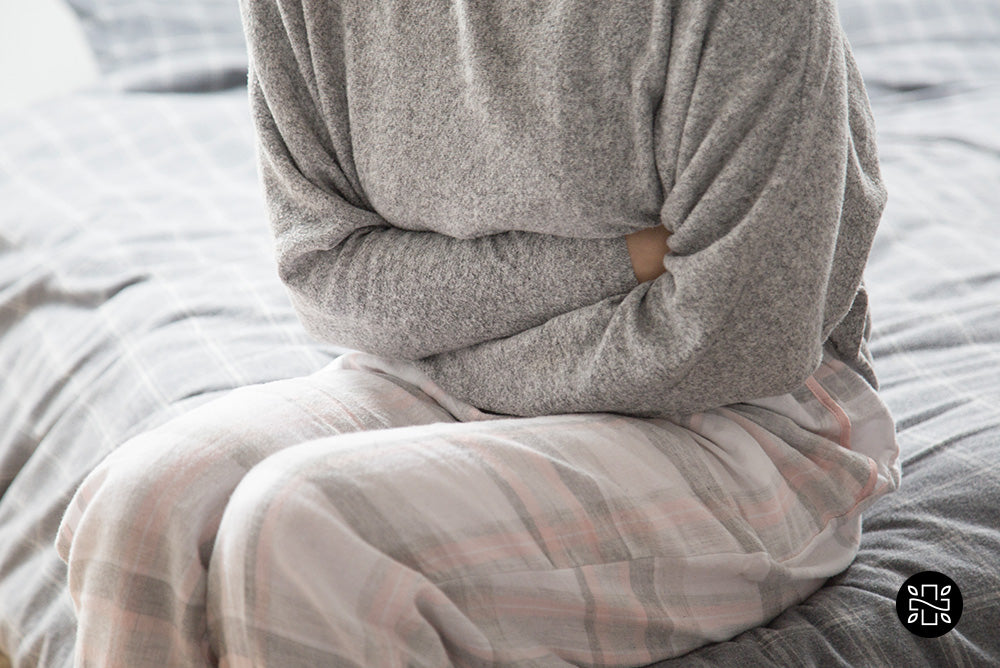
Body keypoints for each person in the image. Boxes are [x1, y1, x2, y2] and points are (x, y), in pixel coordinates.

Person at [56, 0, 901, 666]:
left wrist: (457, 337)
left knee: (303, 530)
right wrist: (630, 262)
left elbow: (738, 330)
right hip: (437, 380)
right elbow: (326, 275)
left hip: (744, 422)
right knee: (147, 505)